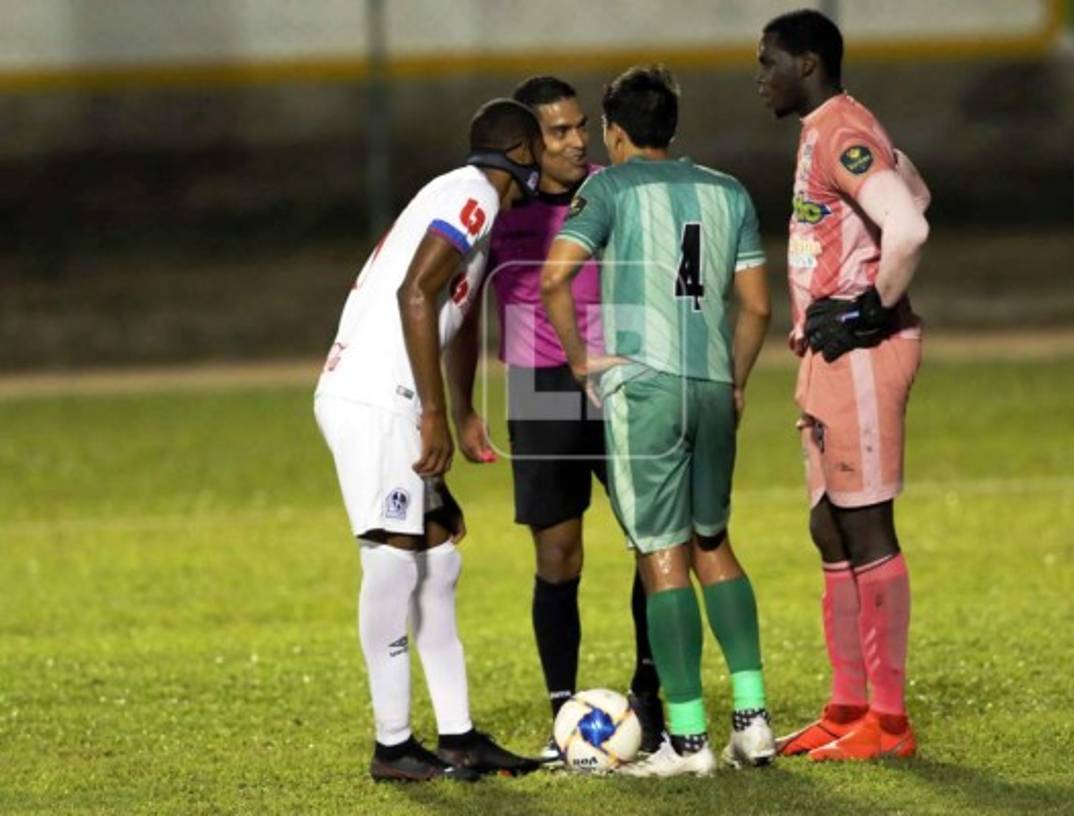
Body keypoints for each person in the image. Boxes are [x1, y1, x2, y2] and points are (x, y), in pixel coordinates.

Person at [541, 65, 775, 777]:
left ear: (614, 131)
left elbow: (554, 276)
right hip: (711, 384)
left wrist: (582, 361)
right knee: (715, 544)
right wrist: (732, 382)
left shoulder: (607, 187)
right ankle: (754, 722)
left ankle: (687, 740)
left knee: (662, 556)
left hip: (645, 390)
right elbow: (758, 306)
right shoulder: (726, 189)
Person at [313, 98, 545, 782]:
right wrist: (434, 415)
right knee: (392, 563)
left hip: (394, 397)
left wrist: (464, 406)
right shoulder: (472, 192)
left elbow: (456, 310)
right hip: (377, 398)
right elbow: (417, 293)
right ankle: (392, 746)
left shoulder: (473, 204)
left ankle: (460, 737)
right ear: (523, 154)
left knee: (438, 563)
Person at [756, 9, 931, 761]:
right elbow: (918, 193)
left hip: (861, 353)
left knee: (865, 527)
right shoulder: (831, 127)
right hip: (824, 357)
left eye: (768, 61)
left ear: (806, 62)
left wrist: (869, 306)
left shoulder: (841, 132)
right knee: (829, 526)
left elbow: (910, 227)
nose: (759, 75)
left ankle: (888, 726)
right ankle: (847, 705)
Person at [485, 75, 663, 764]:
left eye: (580, 126)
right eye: (558, 132)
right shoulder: (504, 206)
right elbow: (465, 299)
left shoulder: (611, 191)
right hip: (541, 384)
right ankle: (564, 710)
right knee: (559, 554)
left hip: (618, 374)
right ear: (529, 143)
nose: (577, 140)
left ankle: (649, 695)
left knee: (653, 541)